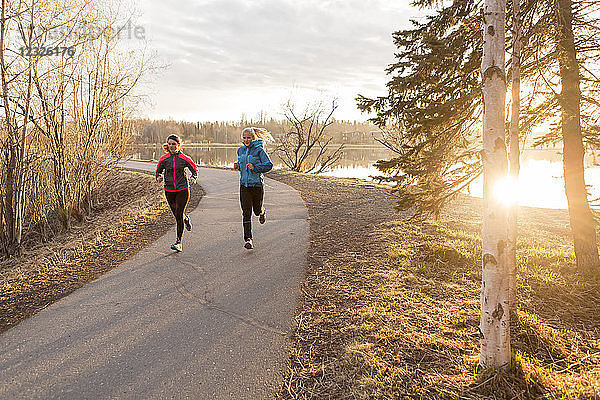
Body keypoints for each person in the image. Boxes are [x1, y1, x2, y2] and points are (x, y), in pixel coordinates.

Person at [155, 134, 198, 252]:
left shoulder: (185, 158)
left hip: (182, 189)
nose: (171, 146)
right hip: (169, 190)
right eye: (169, 144)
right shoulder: (164, 159)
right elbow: (158, 171)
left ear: (179, 145)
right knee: (177, 214)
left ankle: (179, 242)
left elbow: (194, 170)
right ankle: (186, 218)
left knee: (178, 215)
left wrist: (193, 178)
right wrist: (158, 177)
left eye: (174, 144)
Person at [233, 127, 273, 249]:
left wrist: (255, 168)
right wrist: (238, 166)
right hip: (244, 185)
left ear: (254, 138)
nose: (246, 140)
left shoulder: (259, 150)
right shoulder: (240, 150)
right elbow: (243, 166)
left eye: (249, 137)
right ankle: (248, 239)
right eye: (244, 138)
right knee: (246, 213)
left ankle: (262, 211)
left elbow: (268, 165)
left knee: (256, 210)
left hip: (256, 185)